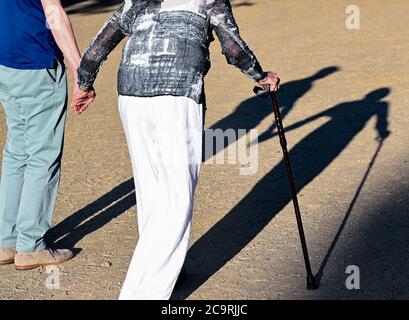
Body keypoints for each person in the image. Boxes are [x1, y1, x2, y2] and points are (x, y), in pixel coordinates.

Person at [73, 0, 279, 299]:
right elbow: (233, 48)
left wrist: (84, 82)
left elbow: (102, 40)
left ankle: (167, 265)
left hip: (132, 92)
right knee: (176, 195)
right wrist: (260, 76)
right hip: (177, 94)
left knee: (152, 186)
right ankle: (143, 294)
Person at [0, 0, 94, 269]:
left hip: (5, 60)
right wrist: (80, 70)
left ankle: (7, 240)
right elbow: (53, 12)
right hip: (34, 61)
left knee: (17, 149)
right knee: (42, 154)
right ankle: (30, 246)